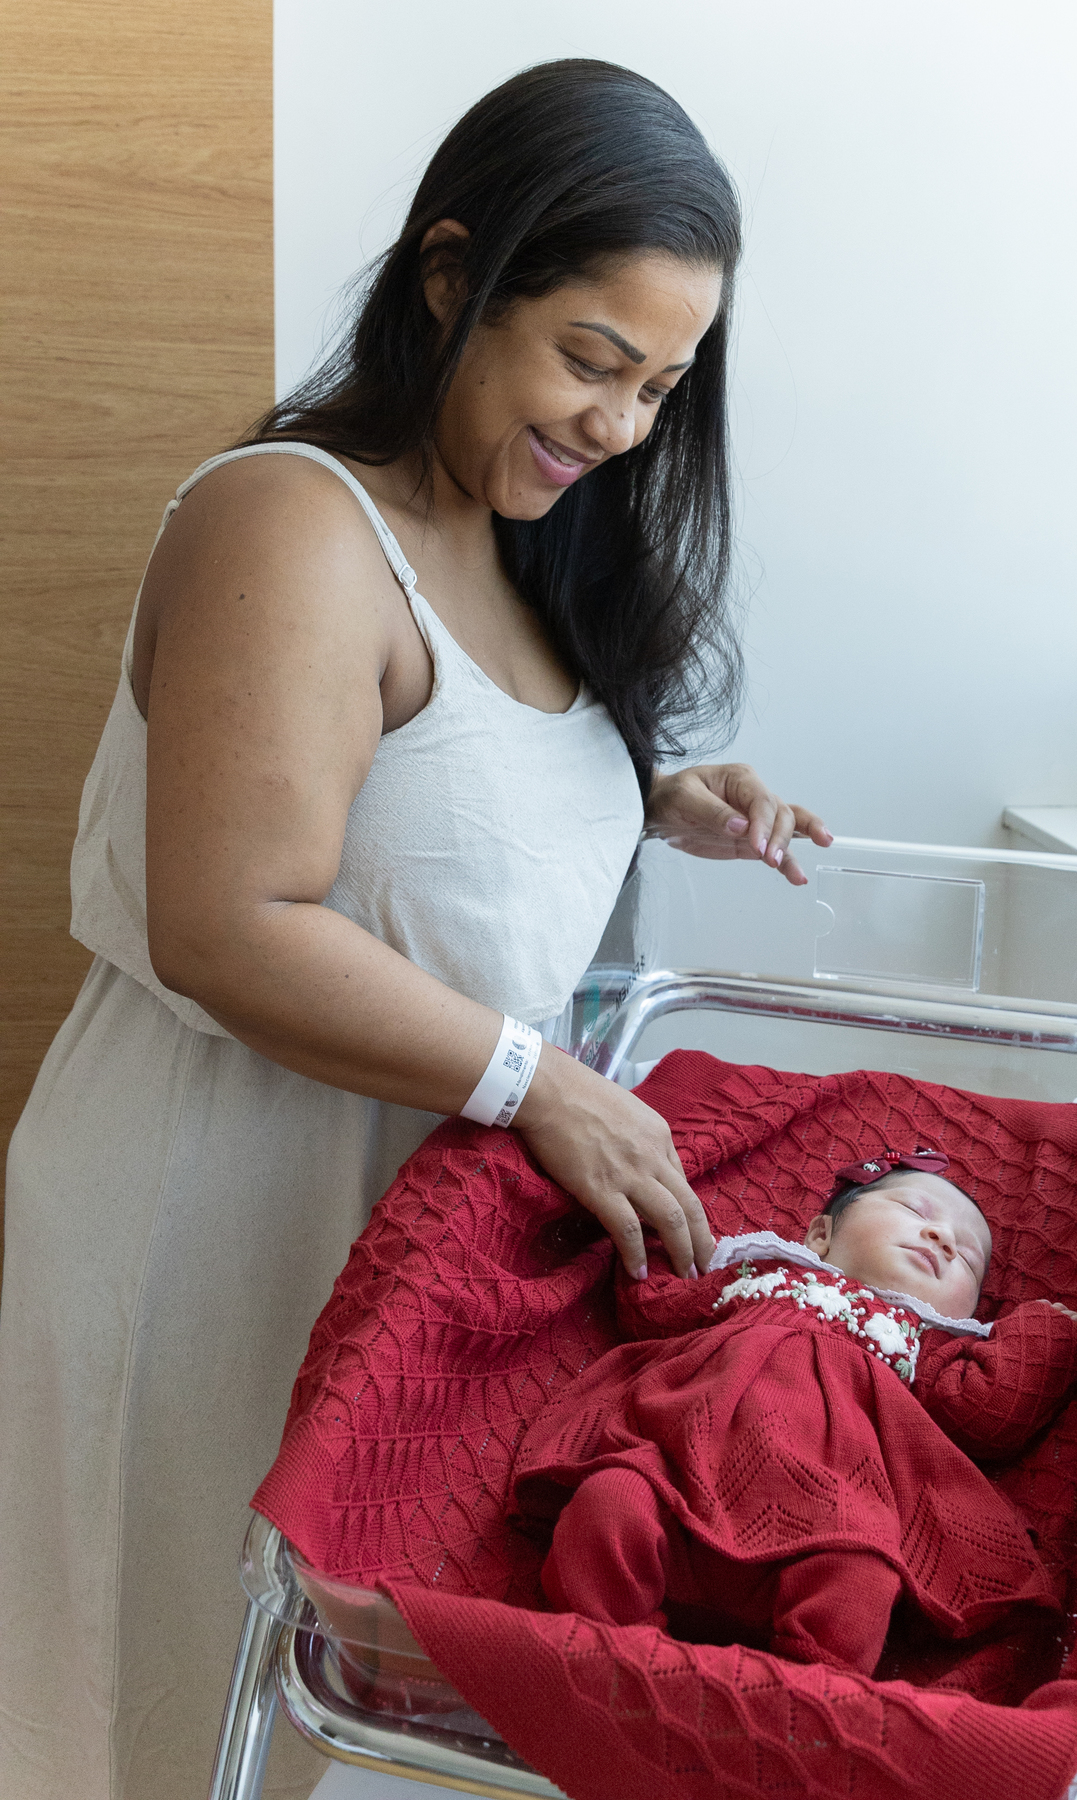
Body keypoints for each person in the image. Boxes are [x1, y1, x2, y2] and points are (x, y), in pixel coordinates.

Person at [0, 59, 833, 1800]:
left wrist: (644, 788)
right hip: (217, 1219)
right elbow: (232, 921)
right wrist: (541, 1082)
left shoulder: (524, 542)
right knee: (150, 1708)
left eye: (662, 387)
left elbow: (430, 795)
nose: (618, 424)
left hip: (400, 1249)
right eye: (591, 360)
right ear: (453, 277)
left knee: (297, 1717)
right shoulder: (295, 524)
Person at [512, 1151, 1077, 1674]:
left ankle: (796, 1702)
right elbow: (654, 1306)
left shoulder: (922, 1347)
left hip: (829, 1519)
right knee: (610, 1503)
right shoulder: (757, 1277)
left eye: (967, 1259)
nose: (943, 1238)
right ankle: (609, 1667)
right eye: (916, 1211)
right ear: (819, 1234)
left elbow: (987, 1411)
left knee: (861, 1581)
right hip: (674, 1476)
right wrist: (656, 1224)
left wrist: (1047, 1335)